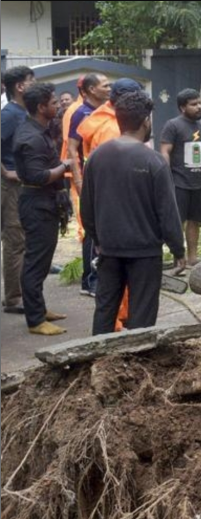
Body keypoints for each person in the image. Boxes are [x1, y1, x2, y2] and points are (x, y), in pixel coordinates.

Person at [81, 91, 186, 335]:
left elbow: (86, 208)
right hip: (145, 253)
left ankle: (98, 360)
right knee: (142, 315)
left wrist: (98, 240)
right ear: (145, 121)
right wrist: (178, 250)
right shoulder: (154, 162)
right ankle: (137, 364)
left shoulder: (96, 157)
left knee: (105, 309)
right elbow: (167, 213)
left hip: (109, 250)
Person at [77, 78, 145, 331]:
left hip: (105, 207)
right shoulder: (111, 129)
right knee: (116, 277)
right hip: (114, 210)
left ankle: (118, 321)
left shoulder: (102, 121)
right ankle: (116, 327)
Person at [13, 82, 73, 335]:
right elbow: (39, 176)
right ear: (41, 107)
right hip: (37, 203)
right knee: (36, 262)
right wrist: (65, 165)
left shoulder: (40, 129)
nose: (58, 106)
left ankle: (38, 308)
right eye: (54, 103)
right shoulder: (31, 137)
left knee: (43, 259)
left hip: (45, 202)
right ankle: (35, 320)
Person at [160, 88, 201, 266]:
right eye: (193, 104)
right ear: (182, 108)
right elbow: (165, 151)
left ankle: (193, 257)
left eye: (199, 103)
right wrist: (165, 176)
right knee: (177, 221)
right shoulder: (173, 126)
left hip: (200, 183)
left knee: (195, 221)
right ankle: (178, 257)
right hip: (179, 183)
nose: (199, 107)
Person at [66, 73, 111, 297]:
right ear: (92, 90)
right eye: (105, 85)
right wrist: (79, 180)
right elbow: (72, 149)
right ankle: (90, 280)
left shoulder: (104, 111)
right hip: (88, 182)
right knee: (91, 231)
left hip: (103, 181)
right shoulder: (81, 113)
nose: (109, 88)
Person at [0, 66, 35, 315]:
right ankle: (14, 298)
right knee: (15, 239)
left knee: (20, 238)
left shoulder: (23, 113)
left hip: (19, 183)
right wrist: (5, 171)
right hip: (9, 185)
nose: (36, 84)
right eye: (32, 81)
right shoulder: (10, 114)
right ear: (20, 86)